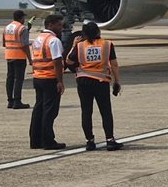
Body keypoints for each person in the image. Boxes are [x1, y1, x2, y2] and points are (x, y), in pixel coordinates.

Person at [67, 21, 122, 151]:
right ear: (98, 31)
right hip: (100, 81)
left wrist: (73, 45)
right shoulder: (107, 44)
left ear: (84, 34)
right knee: (106, 111)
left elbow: (69, 60)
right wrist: (117, 81)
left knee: (86, 111)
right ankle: (110, 140)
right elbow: (114, 64)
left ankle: (89, 142)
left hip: (83, 81)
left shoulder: (80, 46)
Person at [28, 14, 67, 149]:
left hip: (38, 77)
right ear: (50, 25)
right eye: (59, 25)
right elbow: (57, 61)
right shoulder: (53, 40)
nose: (61, 28)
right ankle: (48, 141)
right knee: (49, 112)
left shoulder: (38, 39)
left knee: (38, 109)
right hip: (50, 78)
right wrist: (60, 81)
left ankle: (35, 140)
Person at [2, 9, 31, 109]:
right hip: (19, 56)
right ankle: (17, 101)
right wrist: (30, 59)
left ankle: (10, 101)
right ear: (21, 18)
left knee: (10, 78)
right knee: (18, 79)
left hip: (9, 55)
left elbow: (4, 43)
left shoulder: (7, 27)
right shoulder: (22, 28)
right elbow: (24, 45)